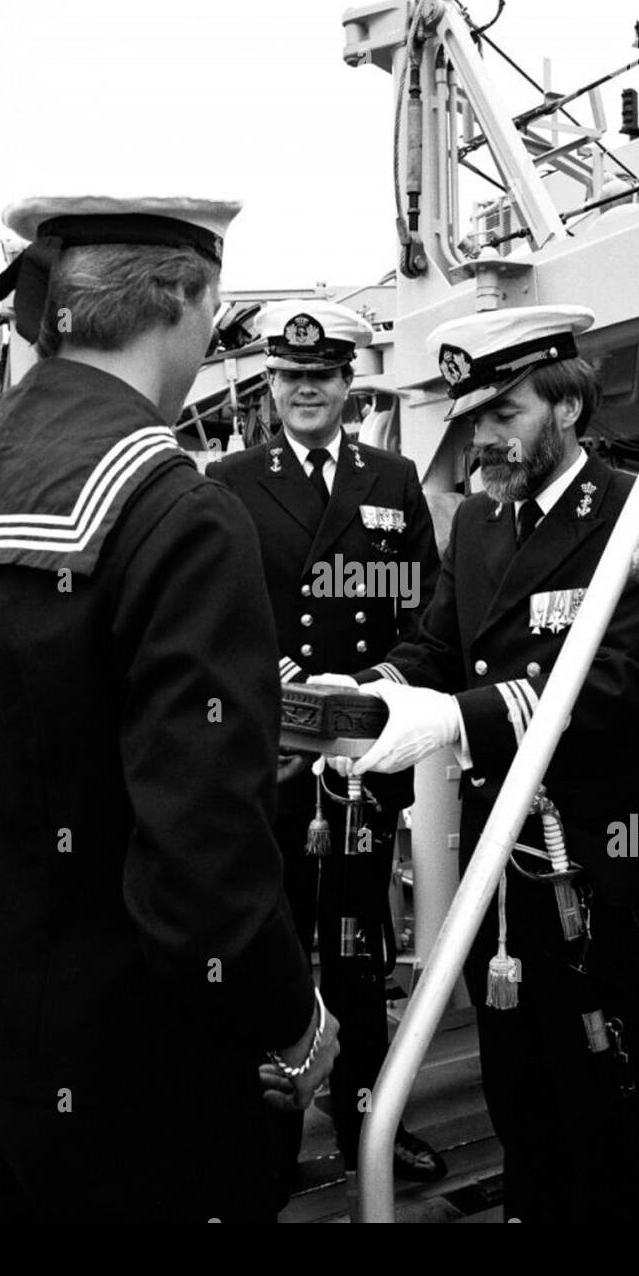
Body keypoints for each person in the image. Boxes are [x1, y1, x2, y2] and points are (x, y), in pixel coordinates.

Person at [0, 195, 337, 1223]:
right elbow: (202, 861)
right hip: (135, 1091)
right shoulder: (176, 510)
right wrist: (292, 1017)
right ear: (187, 299)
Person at [340, 305, 639, 1222]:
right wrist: (353, 703)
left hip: (597, 855)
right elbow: (435, 647)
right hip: (500, 865)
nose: (484, 437)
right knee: (521, 1089)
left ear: (568, 407)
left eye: (506, 414)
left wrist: (453, 722)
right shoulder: (477, 526)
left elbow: (616, 679)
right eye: (475, 419)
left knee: (608, 1092)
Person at [207, 299, 445, 1187]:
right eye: (289, 378)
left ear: (349, 383)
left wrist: (379, 688)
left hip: (361, 756)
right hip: (271, 757)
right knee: (273, 943)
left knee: (358, 949)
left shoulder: (393, 478)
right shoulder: (231, 479)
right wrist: (279, 685)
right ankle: (267, 1140)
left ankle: (367, 1124)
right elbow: (216, 607)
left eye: (321, 377)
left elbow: (427, 612)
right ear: (270, 385)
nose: (305, 391)